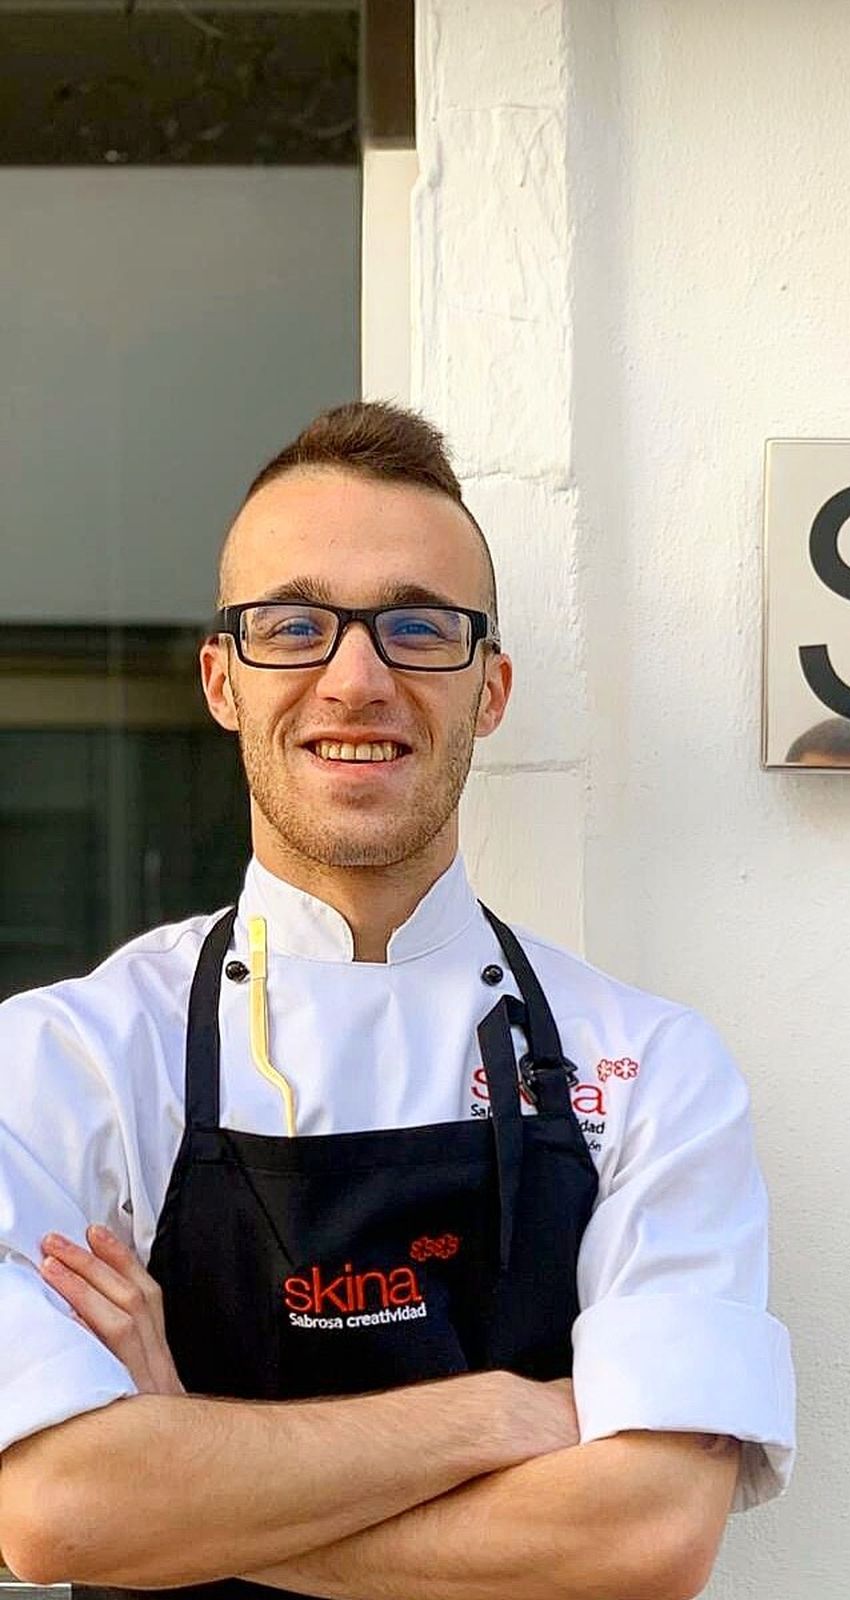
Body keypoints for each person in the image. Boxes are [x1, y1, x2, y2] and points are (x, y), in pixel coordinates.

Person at [0, 402, 794, 1599]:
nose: (355, 678)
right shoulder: (69, 1059)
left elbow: (645, 1534)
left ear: (490, 687)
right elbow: (59, 1509)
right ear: (223, 680)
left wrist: (184, 1465)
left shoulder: (648, 1066)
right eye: (294, 624)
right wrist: (490, 1416)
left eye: (418, 627)